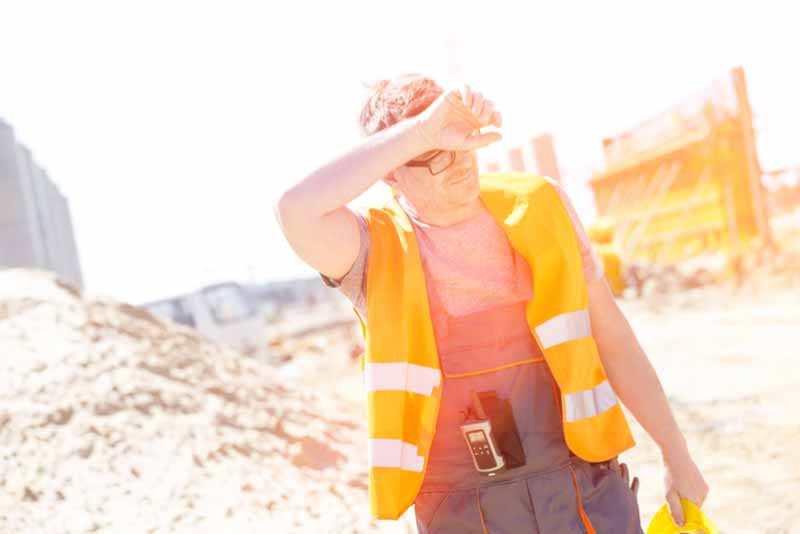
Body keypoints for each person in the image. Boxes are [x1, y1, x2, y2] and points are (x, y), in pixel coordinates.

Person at [274, 74, 709, 533]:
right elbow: (294, 210)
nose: (458, 162)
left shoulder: (541, 207)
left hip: (582, 492)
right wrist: (421, 132)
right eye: (433, 154)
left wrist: (675, 454)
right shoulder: (372, 248)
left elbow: (614, 339)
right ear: (391, 170)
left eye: (461, 139)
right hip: (461, 514)